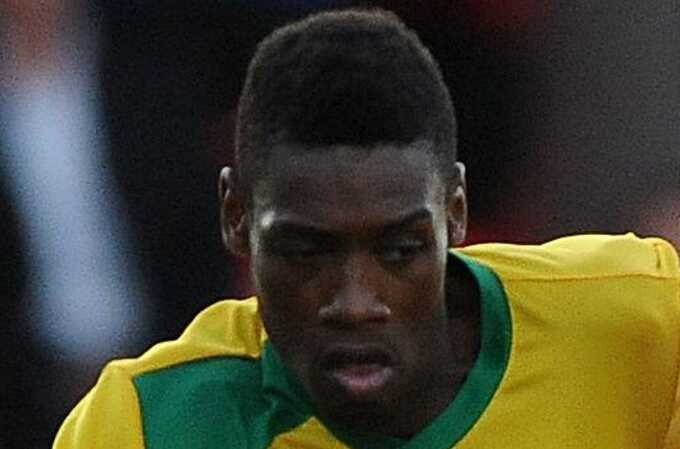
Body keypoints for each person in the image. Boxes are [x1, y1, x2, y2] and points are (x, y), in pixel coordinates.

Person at [53, 8, 680, 449]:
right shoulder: (149, 426)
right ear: (236, 218)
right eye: (305, 252)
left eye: (400, 250)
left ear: (455, 211)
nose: (355, 302)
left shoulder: (641, 326)